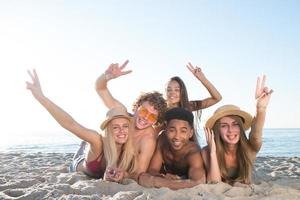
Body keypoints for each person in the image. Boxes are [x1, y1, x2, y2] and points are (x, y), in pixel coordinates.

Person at [26, 69, 138, 182]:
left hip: (95, 162)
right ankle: (83, 147)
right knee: (87, 143)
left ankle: (84, 146)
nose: (121, 131)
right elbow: (70, 124)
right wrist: (41, 97)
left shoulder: (130, 147)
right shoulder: (98, 141)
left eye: (125, 126)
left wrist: (123, 175)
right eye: (115, 127)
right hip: (79, 165)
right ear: (108, 130)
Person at [95, 60, 167, 175]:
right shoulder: (122, 114)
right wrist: (107, 77)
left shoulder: (148, 140)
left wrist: (123, 175)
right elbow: (100, 89)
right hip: (94, 158)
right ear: (137, 106)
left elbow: (139, 172)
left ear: (156, 121)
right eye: (144, 111)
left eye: (152, 117)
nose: (145, 118)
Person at [201, 75, 273, 185]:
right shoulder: (206, 151)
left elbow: (256, 135)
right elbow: (214, 184)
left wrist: (260, 109)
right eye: (224, 125)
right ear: (217, 130)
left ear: (241, 127)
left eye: (235, 124)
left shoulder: (250, 148)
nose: (231, 130)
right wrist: (213, 153)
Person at [138, 107, 206, 190]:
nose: (177, 137)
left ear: (190, 133)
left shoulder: (193, 152)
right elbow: (152, 170)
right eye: (172, 130)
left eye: (183, 131)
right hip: (167, 177)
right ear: (166, 129)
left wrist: (157, 182)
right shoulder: (162, 140)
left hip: (183, 179)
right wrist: (162, 177)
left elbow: (198, 182)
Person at [164, 62, 222, 141]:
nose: (172, 93)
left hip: (187, 147)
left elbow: (217, 98)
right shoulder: (161, 110)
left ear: (182, 92)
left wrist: (202, 78)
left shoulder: (189, 106)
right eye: (169, 90)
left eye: (177, 90)